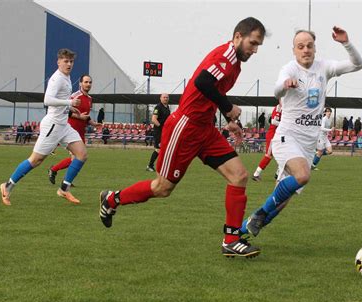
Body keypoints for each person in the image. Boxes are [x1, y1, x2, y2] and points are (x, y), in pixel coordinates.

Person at [98, 17, 266, 258]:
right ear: (238, 37)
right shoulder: (226, 55)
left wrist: (230, 120)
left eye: (258, 45)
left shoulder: (235, 64)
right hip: (185, 128)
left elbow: (212, 93)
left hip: (205, 129)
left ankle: (231, 240)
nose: (255, 49)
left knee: (239, 176)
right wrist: (228, 108)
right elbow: (203, 82)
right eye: (253, 42)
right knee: (162, 188)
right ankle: (112, 200)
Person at [241, 26, 362, 239]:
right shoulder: (289, 69)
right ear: (294, 50)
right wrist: (285, 86)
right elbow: (277, 89)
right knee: (303, 175)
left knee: (280, 202)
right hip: (287, 137)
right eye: (300, 46)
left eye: (309, 46)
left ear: (315, 48)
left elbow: (357, 64)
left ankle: (239, 233)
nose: (305, 50)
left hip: (307, 145)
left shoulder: (324, 67)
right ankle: (258, 214)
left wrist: (346, 43)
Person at [0, 48, 86, 206]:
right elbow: (47, 100)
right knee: (36, 160)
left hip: (63, 125)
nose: (69, 64)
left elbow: (58, 101)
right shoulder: (57, 78)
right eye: (66, 61)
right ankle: (7, 186)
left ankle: (64, 189)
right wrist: (69, 102)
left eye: (71, 61)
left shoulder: (66, 77)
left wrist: (69, 108)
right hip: (53, 125)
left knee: (81, 154)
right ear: (58, 62)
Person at [48, 75, 100, 185]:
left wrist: (93, 123)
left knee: (79, 157)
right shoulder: (75, 96)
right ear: (80, 83)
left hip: (81, 131)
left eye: (90, 82)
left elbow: (85, 116)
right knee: (75, 158)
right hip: (71, 130)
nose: (88, 84)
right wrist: (80, 117)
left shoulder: (90, 99)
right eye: (86, 82)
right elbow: (66, 111)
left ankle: (59, 173)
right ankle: (59, 175)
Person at [252, 102, 282, 181]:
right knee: (268, 156)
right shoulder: (279, 107)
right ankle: (256, 174)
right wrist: (286, 124)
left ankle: (278, 174)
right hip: (273, 135)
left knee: (284, 154)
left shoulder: (285, 108)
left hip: (279, 135)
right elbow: (273, 121)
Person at [146, 93, 171, 172]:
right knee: (158, 149)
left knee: (166, 149)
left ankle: (165, 167)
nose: (165, 99)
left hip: (165, 131)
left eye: (167, 97)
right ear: (160, 98)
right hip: (159, 132)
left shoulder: (167, 108)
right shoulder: (158, 107)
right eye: (164, 97)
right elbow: (154, 119)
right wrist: (161, 127)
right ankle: (150, 165)